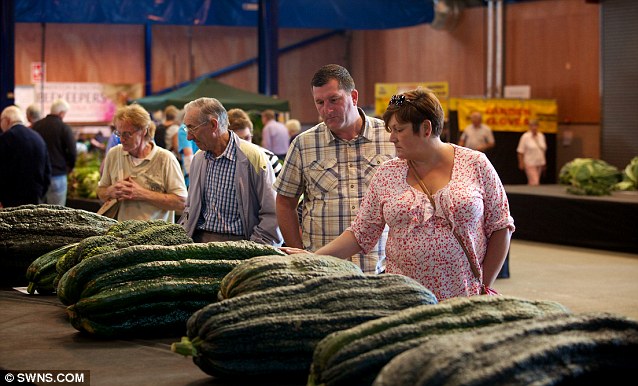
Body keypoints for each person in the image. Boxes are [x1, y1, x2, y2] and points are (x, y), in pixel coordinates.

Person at [284, 89, 515, 301]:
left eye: (399, 130)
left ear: (426, 128)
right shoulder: (387, 173)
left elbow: (500, 226)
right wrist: (312, 257)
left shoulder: (475, 164)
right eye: (390, 130)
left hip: (465, 299)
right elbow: (360, 234)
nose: (392, 138)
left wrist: (484, 286)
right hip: (403, 300)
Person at [274, 64, 395, 273]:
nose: (327, 110)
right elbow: (285, 202)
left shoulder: (390, 137)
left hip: (381, 268)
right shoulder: (304, 144)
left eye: (334, 100)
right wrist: (300, 254)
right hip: (323, 269)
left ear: (354, 97)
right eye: (319, 102)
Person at [179, 97, 282, 245]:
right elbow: (190, 208)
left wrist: (256, 249)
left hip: (240, 245)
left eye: (192, 128)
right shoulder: (199, 159)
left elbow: (272, 213)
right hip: (199, 243)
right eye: (186, 128)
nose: (188, 136)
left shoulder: (254, 158)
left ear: (213, 125)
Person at [97, 104, 187, 222]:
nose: (122, 139)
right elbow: (100, 192)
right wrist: (110, 191)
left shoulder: (165, 159)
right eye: (119, 133)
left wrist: (142, 193)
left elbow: (182, 202)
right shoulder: (114, 154)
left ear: (144, 131)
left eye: (127, 134)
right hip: (119, 235)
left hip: (155, 236)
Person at [0, 106, 51, 208]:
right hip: (35, 196)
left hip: (11, 199)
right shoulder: (38, 138)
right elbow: (47, 171)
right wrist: (40, 193)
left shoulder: (5, 139)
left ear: (7, 120)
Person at [32, 98, 77, 206]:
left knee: (38, 213)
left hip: (39, 176)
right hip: (58, 175)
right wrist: (70, 167)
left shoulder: (37, 126)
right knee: (58, 214)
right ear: (61, 113)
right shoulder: (64, 128)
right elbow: (72, 151)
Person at [228, 108, 282, 177]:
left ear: (251, 135)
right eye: (238, 140)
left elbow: (283, 186)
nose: (245, 144)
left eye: (247, 138)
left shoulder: (268, 159)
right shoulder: (223, 162)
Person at [517, 118, 547, 186]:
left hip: (539, 162)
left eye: (535, 125)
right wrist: (521, 163)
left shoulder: (541, 136)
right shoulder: (525, 137)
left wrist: (544, 163)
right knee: (535, 182)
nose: (534, 127)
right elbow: (520, 151)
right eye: (532, 126)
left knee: (532, 182)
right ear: (529, 127)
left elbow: (543, 150)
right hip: (530, 163)